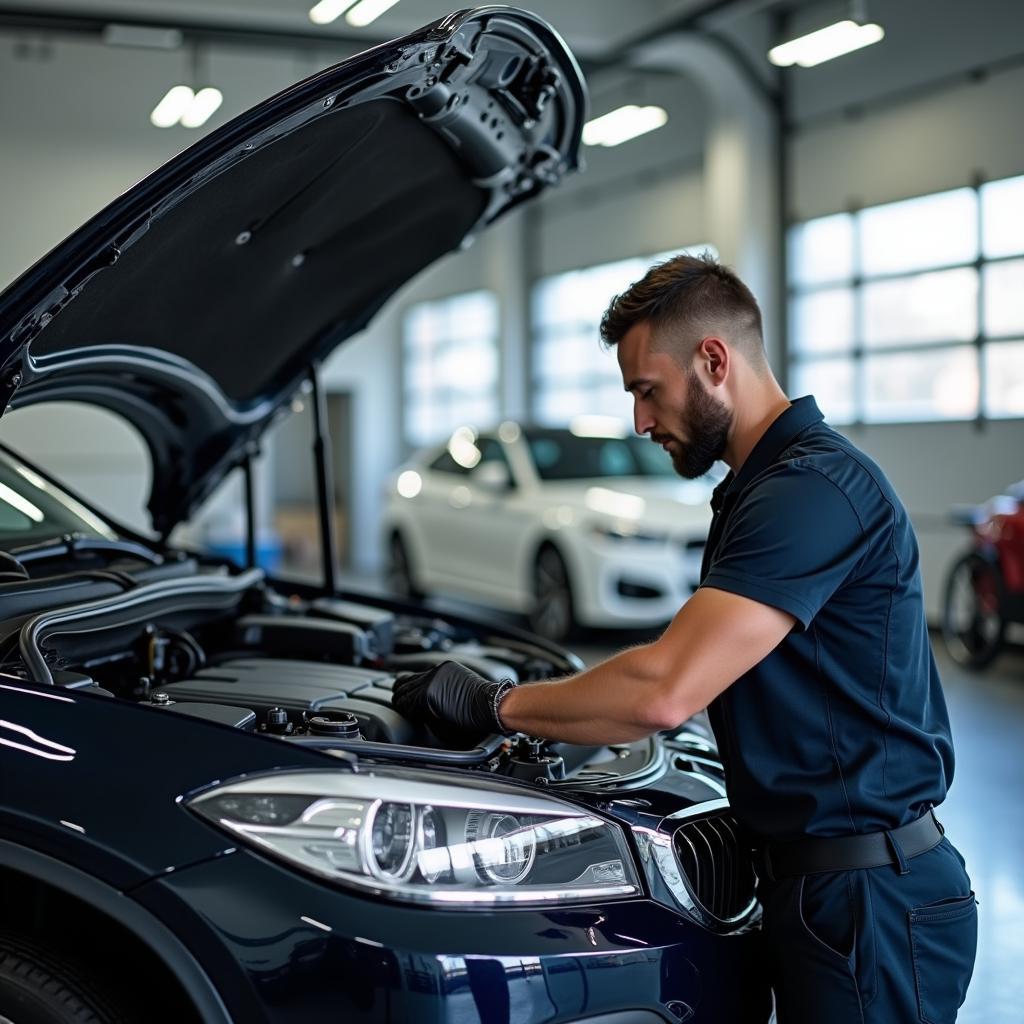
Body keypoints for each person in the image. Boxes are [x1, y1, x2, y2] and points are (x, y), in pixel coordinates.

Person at [393, 253, 978, 1023]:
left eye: (647, 390)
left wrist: (496, 704)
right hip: (826, 889)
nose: (640, 420)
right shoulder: (762, 490)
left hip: (868, 901)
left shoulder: (812, 491)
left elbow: (664, 688)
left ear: (713, 361)